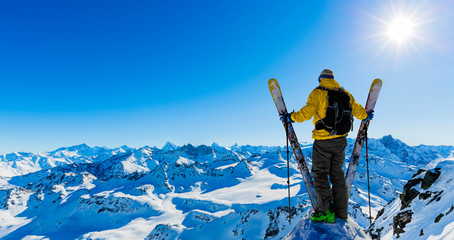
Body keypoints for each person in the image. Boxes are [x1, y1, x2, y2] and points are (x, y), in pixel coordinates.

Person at [280, 69, 373, 223]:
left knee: (320, 174)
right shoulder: (345, 94)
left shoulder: (317, 93)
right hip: (341, 141)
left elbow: (306, 113)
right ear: (333, 79)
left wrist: (290, 117)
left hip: (323, 141)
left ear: (320, 79)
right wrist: (367, 115)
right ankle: (342, 213)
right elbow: (358, 111)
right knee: (337, 173)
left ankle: (325, 211)